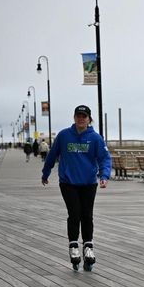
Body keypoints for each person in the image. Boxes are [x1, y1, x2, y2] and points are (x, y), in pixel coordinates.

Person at [42, 105, 112, 272]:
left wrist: (104, 176)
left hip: (89, 183)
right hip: (68, 182)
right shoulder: (64, 136)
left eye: (84, 116)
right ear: (74, 118)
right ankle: (73, 246)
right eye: (78, 116)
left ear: (89, 119)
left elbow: (104, 159)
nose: (81, 119)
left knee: (87, 215)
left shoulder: (95, 138)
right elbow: (52, 155)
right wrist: (45, 173)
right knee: (74, 213)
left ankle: (88, 247)